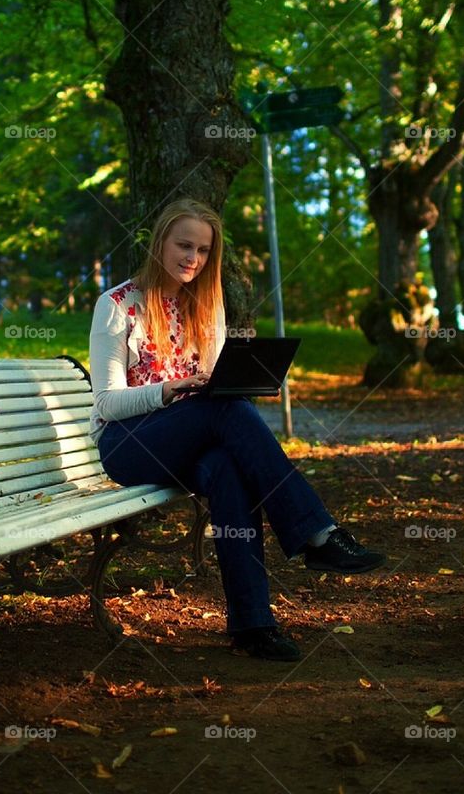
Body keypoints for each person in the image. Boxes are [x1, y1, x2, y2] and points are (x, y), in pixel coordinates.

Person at [88, 197, 386, 662]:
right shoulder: (118, 306)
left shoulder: (206, 307)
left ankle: (253, 625)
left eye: (204, 250)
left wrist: (235, 383)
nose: (192, 258)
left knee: (229, 463)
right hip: (127, 443)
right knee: (223, 412)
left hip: (193, 437)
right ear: (159, 242)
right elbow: (106, 403)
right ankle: (317, 536)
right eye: (183, 245)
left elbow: (217, 388)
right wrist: (171, 390)